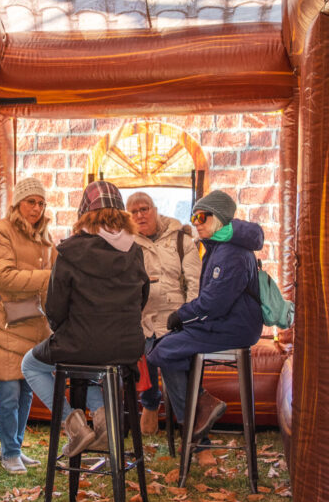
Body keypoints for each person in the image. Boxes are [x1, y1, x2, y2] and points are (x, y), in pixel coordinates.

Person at [22, 181, 150, 456]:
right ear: (121, 215)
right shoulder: (135, 251)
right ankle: (104, 420)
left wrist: (65, 330)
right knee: (91, 367)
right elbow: (142, 298)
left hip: (80, 344)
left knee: (31, 365)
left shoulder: (69, 251)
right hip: (126, 348)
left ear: (84, 214)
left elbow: (55, 310)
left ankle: (75, 426)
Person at [147, 189, 264, 440]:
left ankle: (193, 422)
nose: (195, 222)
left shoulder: (231, 253)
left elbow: (214, 303)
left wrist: (182, 315)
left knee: (164, 351)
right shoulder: (219, 247)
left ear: (218, 218)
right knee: (166, 346)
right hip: (229, 322)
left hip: (234, 326)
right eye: (193, 217)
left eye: (202, 217)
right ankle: (201, 408)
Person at [0, 177, 56, 474]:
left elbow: (57, 276)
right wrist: (47, 277)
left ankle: (16, 447)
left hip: (35, 323)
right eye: (30, 202)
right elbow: (5, 278)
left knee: (26, 390)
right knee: (9, 389)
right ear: (18, 203)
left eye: (40, 203)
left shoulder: (46, 237)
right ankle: (8, 451)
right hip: (5, 324)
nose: (36, 208)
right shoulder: (1, 231)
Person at [126, 192, 202, 434]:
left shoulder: (181, 240)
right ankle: (150, 403)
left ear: (155, 209)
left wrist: (187, 319)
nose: (140, 215)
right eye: (134, 211)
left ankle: (194, 435)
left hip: (174, 318)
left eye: (144, 208)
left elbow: (195, 284)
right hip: (142, 318)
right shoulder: (126, 244)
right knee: (140, 355)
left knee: (177, 374)